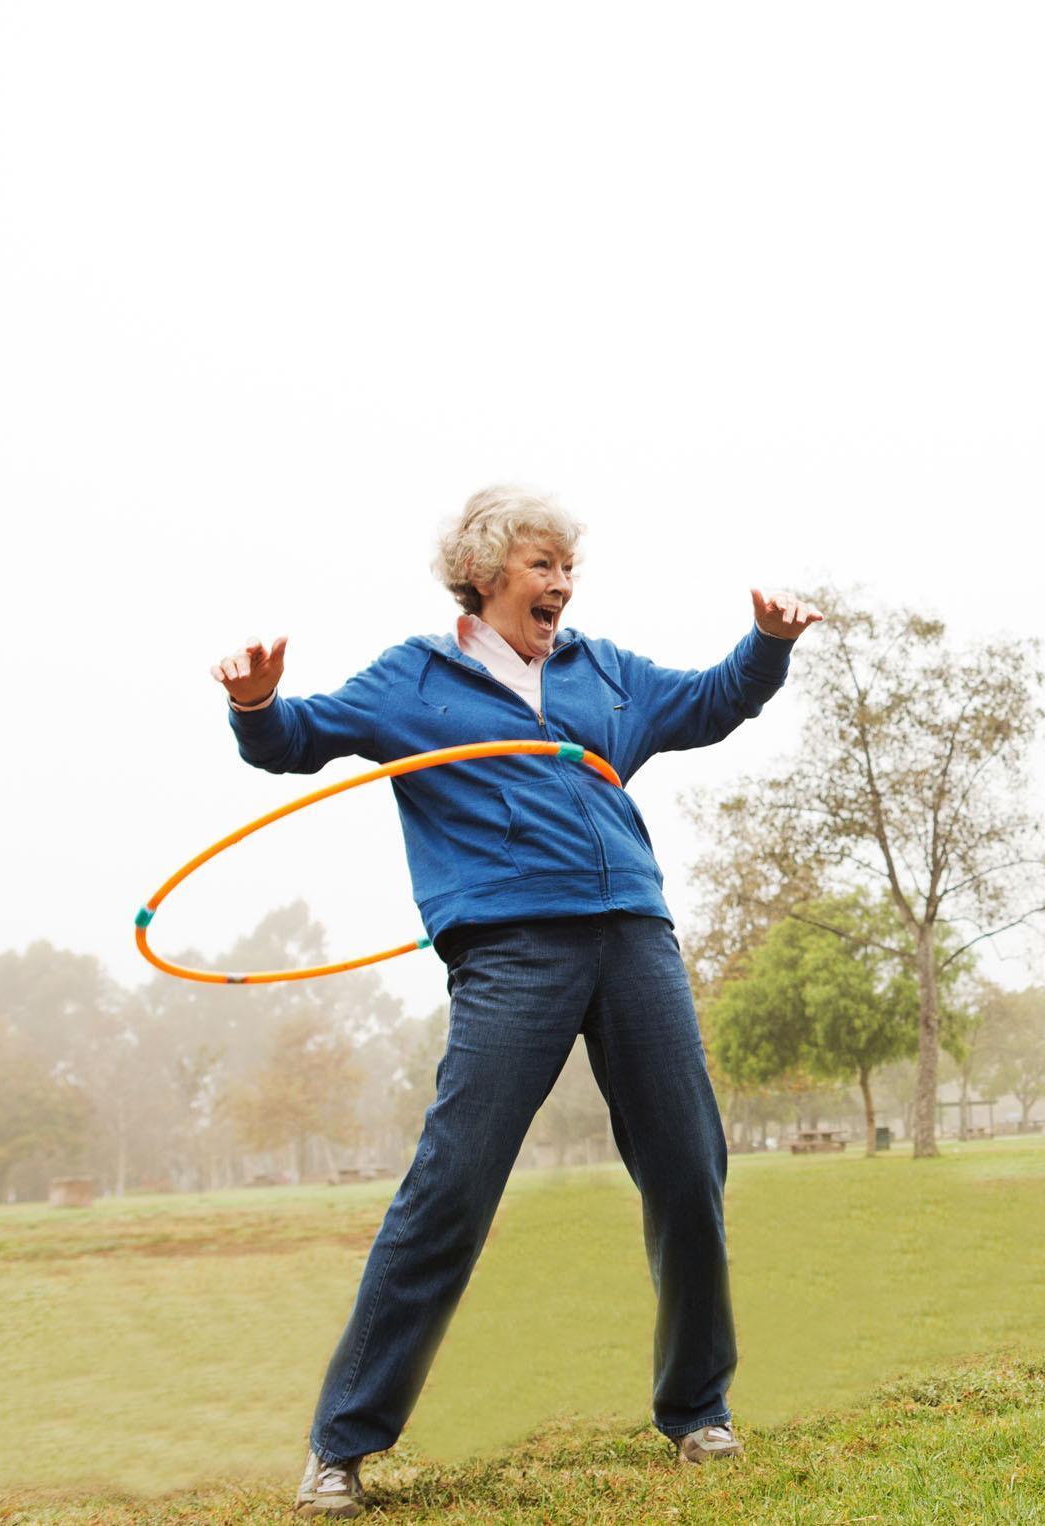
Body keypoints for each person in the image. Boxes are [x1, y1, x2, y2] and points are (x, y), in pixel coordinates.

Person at [210, 485, 821, 1517]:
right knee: (451, 1185)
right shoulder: (413, 678)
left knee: (688, 1165)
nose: (562, 583)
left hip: (632, 930)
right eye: (543, 565)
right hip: (509, 947)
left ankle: (698, 1409)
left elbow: (711, 701)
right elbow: (294, 742)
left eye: (566, 566)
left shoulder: (603, 670)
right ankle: (341, 1444)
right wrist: (256, 702)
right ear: (488, 573)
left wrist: (765, 644)